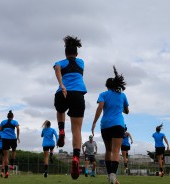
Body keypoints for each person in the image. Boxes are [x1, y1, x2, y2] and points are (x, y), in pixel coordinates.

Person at [53, 35, 87, 179]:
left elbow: (58, 68)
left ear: (65, 53)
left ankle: (61, 130)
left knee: (60, 110)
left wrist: (61, 84)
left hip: (63, 93)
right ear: (76, 53)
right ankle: (76, 157)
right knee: (77, 129)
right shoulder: (81, 62)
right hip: (78, 95)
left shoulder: (60, 62)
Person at [91, 66, 129, 184]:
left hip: (105, 125)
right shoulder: (122, 95)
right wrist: (118, 107)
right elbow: (127, 111)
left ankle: (109, 176)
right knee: (116, 151)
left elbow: (100, 107)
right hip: (118, 124)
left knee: (108, 150)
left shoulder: (103, 94)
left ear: (107, 86)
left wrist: (94, 122)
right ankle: (113, 175)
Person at [0, 110, 20, 178]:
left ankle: (6, 172)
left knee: (5, 156)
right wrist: (18, 137)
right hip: (13, 138)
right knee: (14, 150)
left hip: (5, 139)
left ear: (7, 116)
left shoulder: (3, 122)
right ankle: (12, 164)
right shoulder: (15, 121)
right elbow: (18, 129)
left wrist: (3, 134)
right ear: (13, 116)